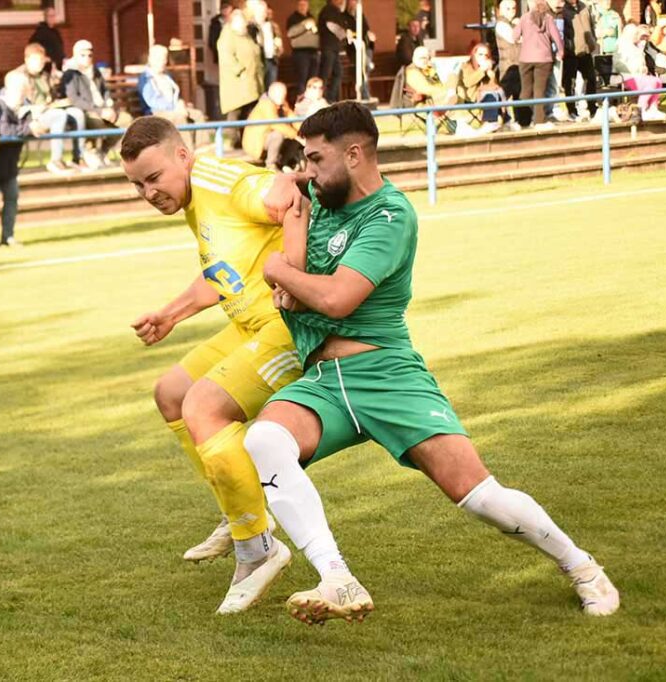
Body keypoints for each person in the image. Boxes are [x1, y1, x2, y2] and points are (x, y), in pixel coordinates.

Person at [247, 101, 621, 624]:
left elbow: (335, 299)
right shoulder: (318, 194)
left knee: (478, 495)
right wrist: (287, 220)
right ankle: (337, 578)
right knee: (263, 439)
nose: (307, 170)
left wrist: (276, 272)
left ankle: (581, 567)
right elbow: (289, 246)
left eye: (316, 158)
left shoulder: (391, 215)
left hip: (386, 373)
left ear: (354, 154)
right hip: (324, 382)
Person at [119, 115, 307, 614]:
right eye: (137, 184)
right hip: (248, 324)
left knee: (203, 406)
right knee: (172, 393)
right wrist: (171, 314)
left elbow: (288, 197)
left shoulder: (218, 181)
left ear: (183, 156)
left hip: (286, 328)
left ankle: (257, 548)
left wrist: (295, 277)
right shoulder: (192, 198)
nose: (147, 193)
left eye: (154, 178)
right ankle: (239, 508)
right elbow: (222, 274)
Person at [0, 70, 47, 249]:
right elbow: (5, 130)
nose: (23, 93)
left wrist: (37, 126)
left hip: (11, 163)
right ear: (9, 87)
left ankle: (8, 236)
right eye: (20, 89)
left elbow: (31, 125)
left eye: (24, 89)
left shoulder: (25, 105)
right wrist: (28, 129)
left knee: (12, 199)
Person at [60, 40, 132, 167]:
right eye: (83, 55)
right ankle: (91, 151)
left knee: (127, 121)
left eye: (90, 55)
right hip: (86, 112)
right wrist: (99, 111)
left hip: (103, 109)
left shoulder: (96, 72)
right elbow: (74, 99)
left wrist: (109, 108)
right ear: (76, 55)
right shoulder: (71, 74)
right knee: (99, 124)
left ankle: (102, 151)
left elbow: (105, 92)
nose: (87, 58)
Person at [19, 43, 83, 174]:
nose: (41, 63)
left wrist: (57, 101)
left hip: (49, 110)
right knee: (59, 115)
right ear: (27, 59)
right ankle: (56, 161)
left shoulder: (44, 75)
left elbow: (50, 96)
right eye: (38, 60)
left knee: (77, 113)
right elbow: (18, 105)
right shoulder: (19, 77)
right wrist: (35, 109)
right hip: (33, 117)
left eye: (42, 60)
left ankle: (78, 157)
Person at [137, 44, 207, 148]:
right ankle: (186, 150)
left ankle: (203, 147)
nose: (163, 62)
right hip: (155, 111)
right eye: (160, 59)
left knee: (198, 115)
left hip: (173, 107)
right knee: (179, 117)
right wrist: (174, 108)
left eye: (165, 59)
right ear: (151, 59)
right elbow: (151, 101)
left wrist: (180, 103)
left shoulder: (167, 75)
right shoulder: (146, 78)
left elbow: (175, 94)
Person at [218, 10, 264, 149]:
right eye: (241, 21)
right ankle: (229, 142)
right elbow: (226, 56)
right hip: (238, 83)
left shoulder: (246, 36)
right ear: (234, 22)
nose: (244, 23)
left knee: (248, 113)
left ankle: (245, 142)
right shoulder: (228, 36)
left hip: (251, 81)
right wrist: (240, 70)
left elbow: (255, 52)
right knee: (235, 112)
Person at [515, 2, 564, 129]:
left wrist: (522, 40)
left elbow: (514, 36)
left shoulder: (524, 18)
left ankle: (523, 120)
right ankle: (539, 121)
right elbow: (557, 37)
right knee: (539, 91)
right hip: (544, 59)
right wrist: (561, 51)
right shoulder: (548, 18)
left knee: (525, 90)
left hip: (525, 58)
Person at [242, 82, 303, 170]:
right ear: (272, 94)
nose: (282, 97)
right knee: (278, 135)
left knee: (294, 141)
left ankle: (283, 163)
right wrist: (296, 135)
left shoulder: (282, 104)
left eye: (284, 94)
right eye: (280, 94)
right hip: (257, 142)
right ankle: (271, 164)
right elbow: (276, 124)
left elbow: (292, 118)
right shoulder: (265, 104)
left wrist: (304, 132)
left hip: (268, 138)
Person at [613, 23, 666, 120]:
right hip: (627, 77)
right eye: (635, 34)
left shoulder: (636, 46)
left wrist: (644, 68)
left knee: (657, 81)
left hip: (639, 76)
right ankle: (642, 109)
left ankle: (653, 108)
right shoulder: (621, 45)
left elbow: (641, 62)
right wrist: (634, 70)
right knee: (652, 82)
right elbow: (617, 64)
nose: (637, 36)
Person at [495, 0, 531, 129]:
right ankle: (498, 119)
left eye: (513, 8)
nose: (511, 11)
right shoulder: (501, 24)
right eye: (507, 8)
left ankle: (523, 122)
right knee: (504, 94)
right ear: (500, 10)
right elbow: (513, 38)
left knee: (521, 95)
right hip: (509, 66)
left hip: (520, 64)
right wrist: (520, 28)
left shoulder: (514, 23)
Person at [562, 0, 599, 120]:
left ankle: (592, 108)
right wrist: (567, 46)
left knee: (591, 79)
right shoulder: (563, 8)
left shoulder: (584, 6)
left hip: (586, 50)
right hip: (571, 52)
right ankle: (572, 110)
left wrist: (593, 41)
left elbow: (590, 25)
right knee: (570, 82)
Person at [457, 43, 504, 128]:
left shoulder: (489, 69)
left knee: (497, 94)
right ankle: (491, 123)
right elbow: (468, 83)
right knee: (490, 96)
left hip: (484, 96)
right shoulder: (466, 66)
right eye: (480, 54)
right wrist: (481, 70)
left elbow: (494, 88)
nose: (483, 57)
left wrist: (492, 78)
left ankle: (503, 121)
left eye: (486, 55)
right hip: (470, 97)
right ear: (474, 54)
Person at [287, 0, 321, 98]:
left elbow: (316, 33)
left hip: (314, 52)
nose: (302, 7)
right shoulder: (293, 18)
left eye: (304, 5)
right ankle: (302, 102)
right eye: (300, 4)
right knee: (302, 79)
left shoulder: (312, 17)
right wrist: (304, 25)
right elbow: (290, 33)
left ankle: (312, 100)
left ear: (308, 6)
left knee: (313, 80)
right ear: (297, 6)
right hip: (301, 53)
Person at [317, 0, 348, 102]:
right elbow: (331, 25)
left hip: (333, 48)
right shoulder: (328, 10)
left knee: (337, 72)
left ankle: (330, 98)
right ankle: (323, 98)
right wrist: (344, 35)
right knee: (325, 74)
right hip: (328, 47)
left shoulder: (335, 11)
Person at [29, 3, 65, 72]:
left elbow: (59, 47)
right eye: (50, 16)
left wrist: (62, 57)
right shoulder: (40, 32)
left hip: (58, 65)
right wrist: (44, 58)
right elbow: (32, 47)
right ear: (45, 17)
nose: (52, 18)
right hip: (47, 67)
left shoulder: (55, 31)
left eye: (54, 16)